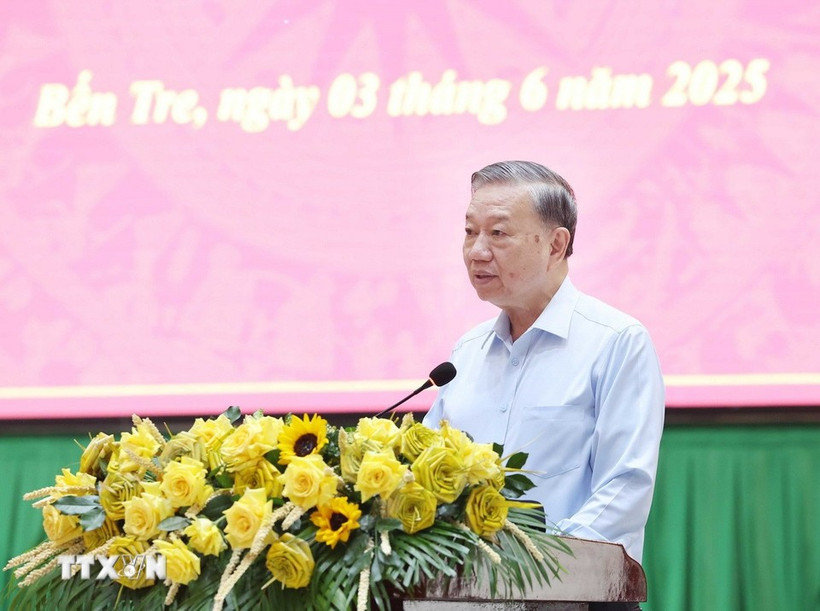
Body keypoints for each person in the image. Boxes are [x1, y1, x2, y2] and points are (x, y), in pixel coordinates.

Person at [422, 161, 664, 607]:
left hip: (577, 598)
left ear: (556, 244)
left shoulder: (615, 342)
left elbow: (624, 488)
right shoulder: (466, 353)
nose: (477, 251)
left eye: (498, 234)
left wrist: (535, 572)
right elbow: (426, 475)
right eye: (470, 231)